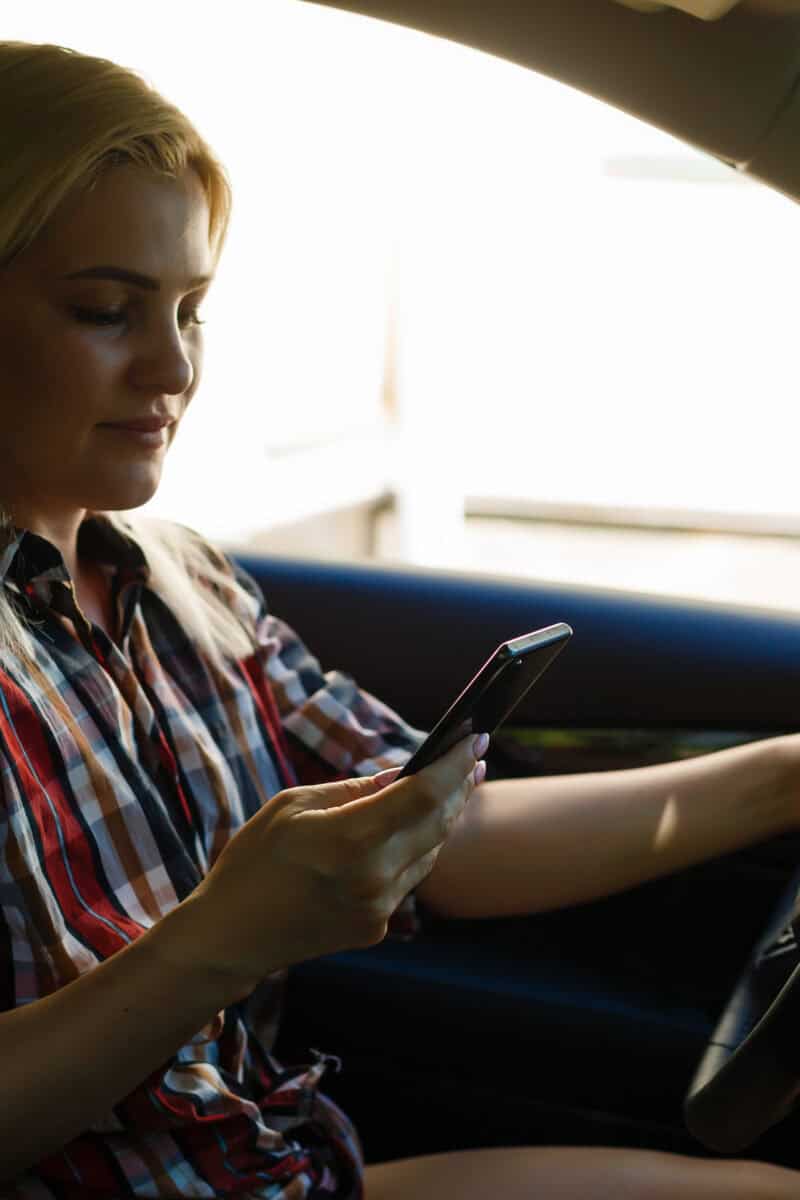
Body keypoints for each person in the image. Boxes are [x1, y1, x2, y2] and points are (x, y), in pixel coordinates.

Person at [0, 37, 798, 1200]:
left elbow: (437, 837)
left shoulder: (180, 583)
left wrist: (783, 777)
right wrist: (216, 940)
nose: (171, 368)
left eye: (192, 309)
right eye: (105, 311)